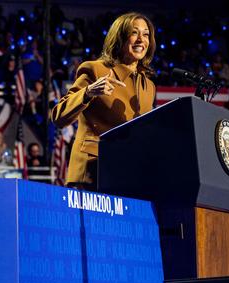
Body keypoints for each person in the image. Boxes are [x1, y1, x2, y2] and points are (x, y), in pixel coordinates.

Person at [50, 12, 156, 190]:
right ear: (120, 37)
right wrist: (88, 92)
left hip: (129, 176)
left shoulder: (149, 86)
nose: (141, 40)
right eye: (134, 33)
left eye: (146, 34)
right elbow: (59, 117)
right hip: (93, 173)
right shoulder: (95, 69)